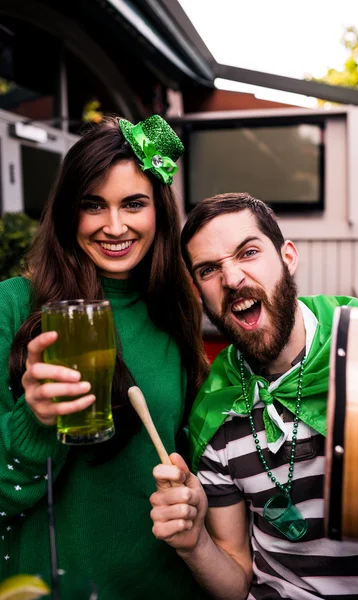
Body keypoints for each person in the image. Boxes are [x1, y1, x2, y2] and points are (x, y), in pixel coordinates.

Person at [0, 114, 211, 599]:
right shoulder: (15, 307)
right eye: (93, 205)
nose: (114, 227)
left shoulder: (175, 307)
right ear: (67, 212)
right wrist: (34, 421)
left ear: (158, 209)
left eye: (133, 204)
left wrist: (195, 497)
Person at [150, 192, 358, 600]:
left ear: (287, 256)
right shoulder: (216, 408)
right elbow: (237, 580)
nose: (231, 280)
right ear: (199, 292)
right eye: (210, 269)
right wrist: (194, 544)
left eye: (248, 252)